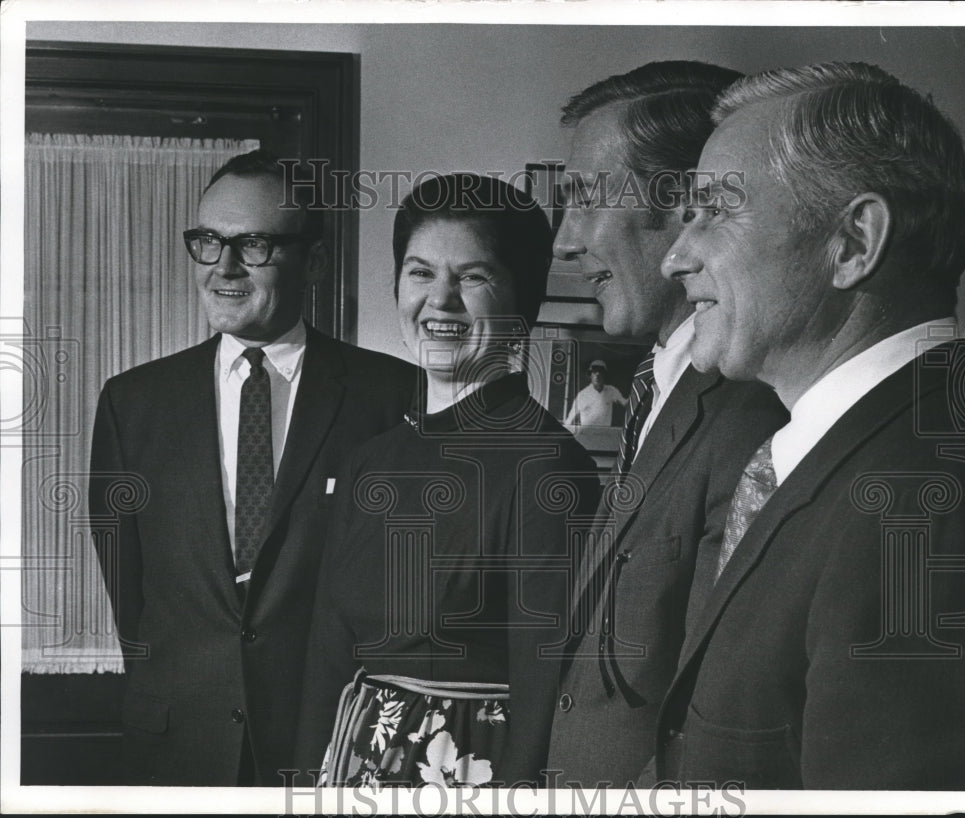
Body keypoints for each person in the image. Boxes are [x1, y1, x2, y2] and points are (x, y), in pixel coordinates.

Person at [658, 62, 965, 789]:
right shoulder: (858, 449)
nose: (678, 256)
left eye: (713, 210)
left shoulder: (923, 500)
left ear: (853, 242)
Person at [88, 150, 417, 786]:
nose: (224, 268)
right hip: (176, 748)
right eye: (208, 242)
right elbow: (131, 593)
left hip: (330, 745)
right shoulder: (133, 403)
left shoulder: (391, 397)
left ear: (314, 262)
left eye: (254, 245)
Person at [294, 174, 600, 787]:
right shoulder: (368, 462)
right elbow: (327, 661)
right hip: (352, 768)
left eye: (473, 277)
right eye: (420, 272)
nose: (442, 301)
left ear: (525, 301)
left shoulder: (546, 464)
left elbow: (547, 695)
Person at [545, 61, 789, 787]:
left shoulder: (756, 418)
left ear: (688, 207)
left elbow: (718, 726)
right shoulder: (656, 387)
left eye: (585, 201)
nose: (562, 241)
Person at [563, 359, 627, 427]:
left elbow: (625, 403)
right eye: (594, 372)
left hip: (605, 434)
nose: (597, 376)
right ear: (590, 375)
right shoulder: (582, 395)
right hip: (587, 434)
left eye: (600, 372)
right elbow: (569, 420)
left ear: (604, 375)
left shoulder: (611, 390)